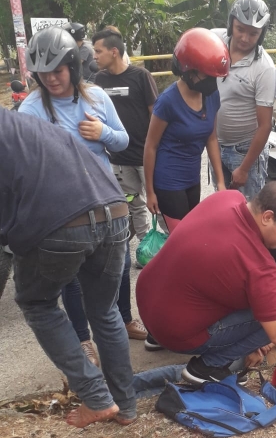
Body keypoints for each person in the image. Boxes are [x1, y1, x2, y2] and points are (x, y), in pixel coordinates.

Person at [136, 181, 276, 410]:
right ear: (267, 216)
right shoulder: (260, 268)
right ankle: (207, 367)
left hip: (149, 300)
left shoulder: (226, 198)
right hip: (175, 333)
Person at [0, 108, 136, 427]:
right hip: (114, 210)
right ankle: (126, 407)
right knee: (104, 310)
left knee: (38, 304)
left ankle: (97, 398)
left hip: (64, 221)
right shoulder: (22, 124)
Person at [18, 27, 147, 362]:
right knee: (71, 277)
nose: (50, 79)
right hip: (64, 209)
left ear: (73, 67)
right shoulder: (31, 109)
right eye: (43, 73)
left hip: (106, 201)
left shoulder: (96, 97)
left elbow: (122, 140)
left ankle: (125, 318)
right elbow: (27, 165)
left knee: (118, 269)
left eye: (57, 71)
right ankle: (82, 339)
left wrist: (102, 132)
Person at [144, 27, 229, 233]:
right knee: (183, 238)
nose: (212, 81)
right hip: (168, 180)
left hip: (192, 178)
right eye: (207, 75)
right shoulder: (168, 101)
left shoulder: (211, 95)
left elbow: (211, 139)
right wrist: (150, 192)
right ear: (188, 69)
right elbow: (151, 146)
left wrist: (220, 182)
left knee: (192, 233)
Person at [93, 27, 158, 240]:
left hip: (147, 156)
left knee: (160, 203)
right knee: (135, 204)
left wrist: (158, 149)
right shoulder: (99, 81)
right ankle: (144, 248)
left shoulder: (141, 76)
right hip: (120, 159)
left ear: (113, 51)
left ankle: (173, 248)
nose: (94, 56)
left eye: (98, 51)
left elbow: (156, 116)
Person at [212, 0, 276, 199]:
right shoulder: (215, 41)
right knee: (221, 206)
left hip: (246, 150)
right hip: (215, 142)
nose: (245, 38)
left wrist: (245, 168)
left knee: (251, 211)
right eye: (240, 29)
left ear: (261, 33)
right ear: (231, 24)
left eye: (253, 33)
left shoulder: (264, 68)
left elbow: (265, 125)